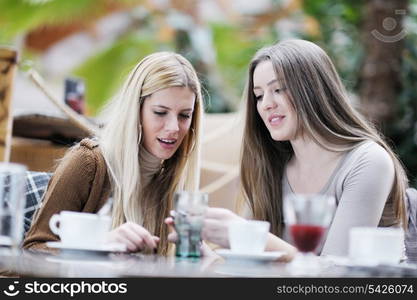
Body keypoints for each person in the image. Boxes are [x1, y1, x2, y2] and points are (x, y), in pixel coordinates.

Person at [197, 39, 408, 259]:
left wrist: (253, 237)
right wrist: (206, 255)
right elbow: (245, 261)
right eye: (259, 95)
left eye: (277, 89)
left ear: (313, 91)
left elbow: (335, 276)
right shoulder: (272, 165)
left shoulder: (368, 161)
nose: (266, 104)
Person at [23, 51, 204, 255]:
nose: (174, 127)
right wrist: (98, 245)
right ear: (136, 110)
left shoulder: (173, 184)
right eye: (160, 112)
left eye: (184, 115)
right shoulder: (88, 162)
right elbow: (33, 250)